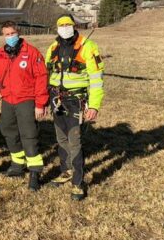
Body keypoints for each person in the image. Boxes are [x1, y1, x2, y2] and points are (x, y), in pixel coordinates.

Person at [45, 15, 105, 201]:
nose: (64, 28)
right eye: (61, 25)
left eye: (67, 25)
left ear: (74, 26)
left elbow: (96, 80)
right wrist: (46, 100)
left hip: (75, 101)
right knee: (61, 137)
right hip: (57, 100)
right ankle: (66, 171)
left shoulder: (88, 47)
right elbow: (46, 75)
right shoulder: (53, 48)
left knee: (74, 140)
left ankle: (78, 183)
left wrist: (94, 105)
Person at [0, 21, 49, 191]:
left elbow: (42, 78)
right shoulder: (0, 54)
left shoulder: (31, 53)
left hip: (26, 99)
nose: (10, 37)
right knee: (8, 131)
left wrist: (40, 104)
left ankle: (35, 171)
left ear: (18, 32)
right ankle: (17, 164)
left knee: (29, 135)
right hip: (8, 100)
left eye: (12, 33)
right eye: (6, 34)